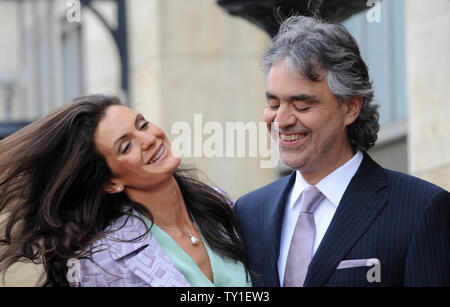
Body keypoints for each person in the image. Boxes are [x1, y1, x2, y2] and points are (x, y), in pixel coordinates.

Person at [233, 15, 450, 287]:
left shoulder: (421, 210)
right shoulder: (247, 212)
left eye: (302, 106)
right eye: (274, 104)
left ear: (350, 107)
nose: (282, 121)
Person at [0, 94, 251, 287]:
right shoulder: (99, 262)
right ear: (111, 182)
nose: (150, 139)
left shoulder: (222, 205)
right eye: (126, 146)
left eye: (142, 125)